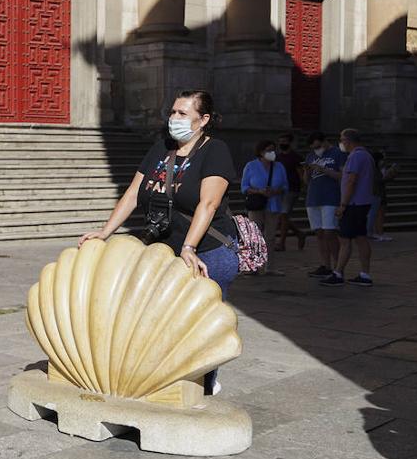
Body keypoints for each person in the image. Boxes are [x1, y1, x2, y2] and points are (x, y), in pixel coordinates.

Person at [81, 89, 238, 395]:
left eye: (183, 113)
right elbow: (131, 194)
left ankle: (205, 379)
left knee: (196, 322)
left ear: (203, 119)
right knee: (154, 320)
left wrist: (189, 247)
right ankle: (157, 380)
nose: (174, 118)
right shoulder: (160, 149)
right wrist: (105, 231)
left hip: (207, 252)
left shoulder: (214, 150)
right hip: (163, 253)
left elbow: (208, 204)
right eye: (173, 112)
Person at [321, 128, 377, 287]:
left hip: (353, 203)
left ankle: (338, 273)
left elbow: (351, 181)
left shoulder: (355, 156)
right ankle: (365, 274)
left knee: (345, 239)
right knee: (361, 237)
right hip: (364, 202)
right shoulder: (366, 155)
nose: (341, 142)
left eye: (342, 139)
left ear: (348, 140)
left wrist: (343, 205)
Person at [241, 140, 288, 276]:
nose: (272, 153)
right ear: (261, 152)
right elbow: (244, 187)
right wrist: (259, 191)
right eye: (269, 150)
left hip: (273, 205)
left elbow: (285, 186)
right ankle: (253, 266)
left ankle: (270, 267)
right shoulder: (251, 166)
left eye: (273, 150)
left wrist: (275, 191)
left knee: (270, 236)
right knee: (255, 235)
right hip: (256, 204)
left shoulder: (279, 166)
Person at [303, 131, 346, 277]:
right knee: (319, 233)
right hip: (313, 197)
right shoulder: (311, 156)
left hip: (331, 197)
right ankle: (325, 265)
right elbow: (307, 181)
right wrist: (306, 171)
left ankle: (338, 266)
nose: (317, 149)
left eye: (318, 146)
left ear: (325, 141)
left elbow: (343, 175)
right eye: (313, 147)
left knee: (330, 232)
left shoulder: (337, 154)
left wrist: (324, 170)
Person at [274, 132, 308, 251]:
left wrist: (303, 186)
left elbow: (301, 173)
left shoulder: (296, 157)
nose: (282, 143)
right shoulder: (277, 157)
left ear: (290, 142)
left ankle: (282, 242)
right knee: (281, 216)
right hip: (279, 189)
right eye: (281, 141)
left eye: (285, 141)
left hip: (292, 188)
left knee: (283, 215)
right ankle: (299, 233)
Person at [367, 150, 397, 242]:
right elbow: (380, 180)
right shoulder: (374, 169)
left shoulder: (376, 168)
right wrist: (391, 171)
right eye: (382, 159)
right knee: (373, 214)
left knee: (375, 214)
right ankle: (369, 233)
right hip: (375, 193)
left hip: (377, 193)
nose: (383, 161)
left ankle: (373, 232)